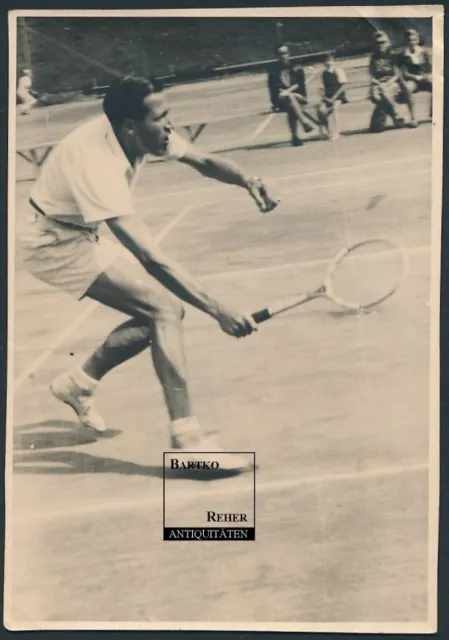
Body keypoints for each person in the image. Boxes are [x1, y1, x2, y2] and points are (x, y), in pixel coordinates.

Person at [18, 76, 278, 472]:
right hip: (52, 244)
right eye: (161, 118)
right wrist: (219, 309)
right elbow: (150, 257)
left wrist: (247, 178)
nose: (169, 126)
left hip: (79, 232)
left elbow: (204, 161)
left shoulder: (141, 130)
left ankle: (78, 384)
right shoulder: (96, 165)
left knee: (162, 313)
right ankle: (187, 442)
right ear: (129, 127)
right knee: (164, 311)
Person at [268, 44, 317, 146]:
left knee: (291, 104)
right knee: (290, 100)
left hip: (297, 95)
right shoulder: (273, 70)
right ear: (276, 55)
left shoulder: (296, 67)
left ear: (288, 54)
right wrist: (274, 104)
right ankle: (304, 123)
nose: (283, 56)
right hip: (281, 98)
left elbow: (300, 85)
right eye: (280, 54)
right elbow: (273, 88)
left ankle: (295, 137)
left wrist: (295, 94)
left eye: (285, 53)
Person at [368, 31, 405, 133]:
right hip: (379, 84)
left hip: (392, 83)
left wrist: (386, 84)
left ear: (388, 43)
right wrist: (376, 85)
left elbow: (397, 75)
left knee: (383, 94)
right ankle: (395, 117)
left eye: (383, 42)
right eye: (378, 43)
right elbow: (372, 75)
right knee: (377, 96)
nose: (381, 45)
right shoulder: (373, 58)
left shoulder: (393, 55)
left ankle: (390, 116)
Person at [398, 28, 432, 126]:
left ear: (417, 39)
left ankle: (433, 111)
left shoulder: (424, 51)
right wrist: (415, 77)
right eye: (409, 40)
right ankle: (413, 118)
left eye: (413, 39)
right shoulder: (403, 54)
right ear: (405, 41)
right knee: (408, 89)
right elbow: (404, 73)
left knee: (438, 85)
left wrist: (427, 76)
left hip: (424, 78)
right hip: (412, 80)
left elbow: (430, 67)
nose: (411, 42)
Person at [316, 53, 349, 140]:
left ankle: (337, 132)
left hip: (338, 96)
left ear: (333, 61)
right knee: (320, 110)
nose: (328, 63)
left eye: (329, 60)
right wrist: (324, 97)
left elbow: (343, 86)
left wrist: (334, 98)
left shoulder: (338, 70)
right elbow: (321, 88)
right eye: (326, 61)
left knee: (334, 109)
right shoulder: (323, 73)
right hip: (328, 96)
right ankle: (327, 132)